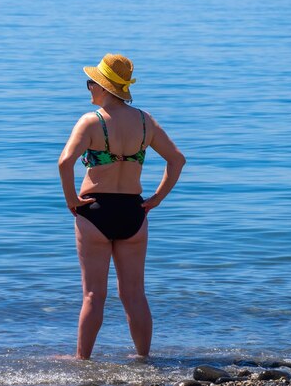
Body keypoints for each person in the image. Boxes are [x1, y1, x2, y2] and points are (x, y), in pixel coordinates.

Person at [58, 54, 186, 360]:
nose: (88, 88)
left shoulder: (91, 121)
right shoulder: (145, 121)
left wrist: (72, 200)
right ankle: (143, 358)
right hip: (133, 212)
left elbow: (65, 163)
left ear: (103, 87)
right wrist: (156, 199)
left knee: (93, 295)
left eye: (91, 83)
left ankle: (82, 361)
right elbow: (177, 160)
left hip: (95, 212)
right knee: (134, 294)